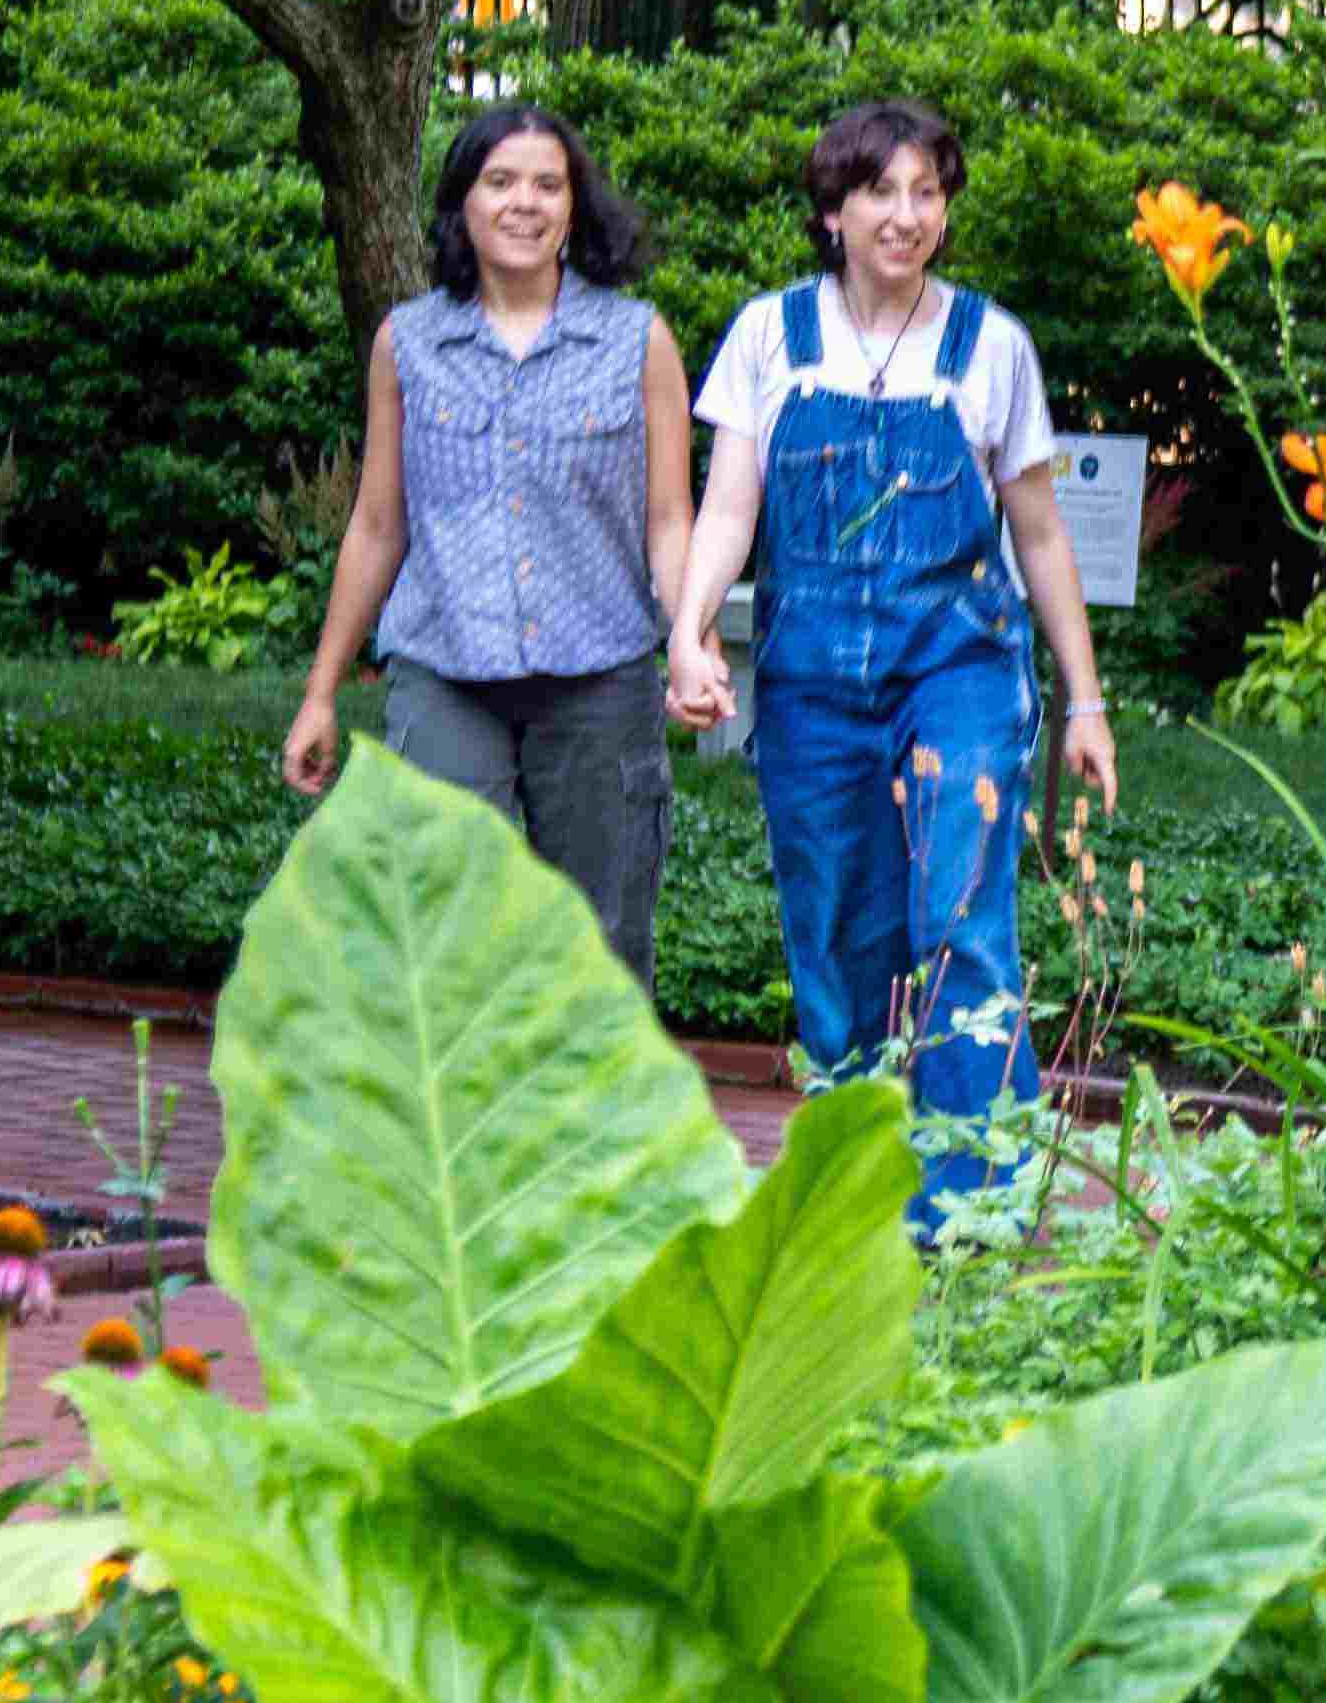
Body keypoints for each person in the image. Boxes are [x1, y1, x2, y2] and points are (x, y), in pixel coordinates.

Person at [660, 97, 1118, 1221]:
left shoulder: (990, 345)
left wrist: (1086, 703)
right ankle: (860, 1193)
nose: (907, 217)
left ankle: (975, 1202)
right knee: (837, 935)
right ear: (833, 211)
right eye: (881, 193)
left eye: (928, 193)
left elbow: (1041, 534)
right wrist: (691, 626)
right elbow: (727, 508)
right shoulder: (771, 337)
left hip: (960, 667)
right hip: (813, 681)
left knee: (960, 919)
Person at [286, 104, 694, 977]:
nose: (524, 203)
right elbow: (377, 523)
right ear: (462, 205)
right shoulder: (409, 343)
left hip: (600, 677)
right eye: (500, 181)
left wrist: (689, 642)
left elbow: (669, 520)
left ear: (575, 208)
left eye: (548, 184)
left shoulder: (638, 341)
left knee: (598, 953)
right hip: (446, 672)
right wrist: (322, 692)